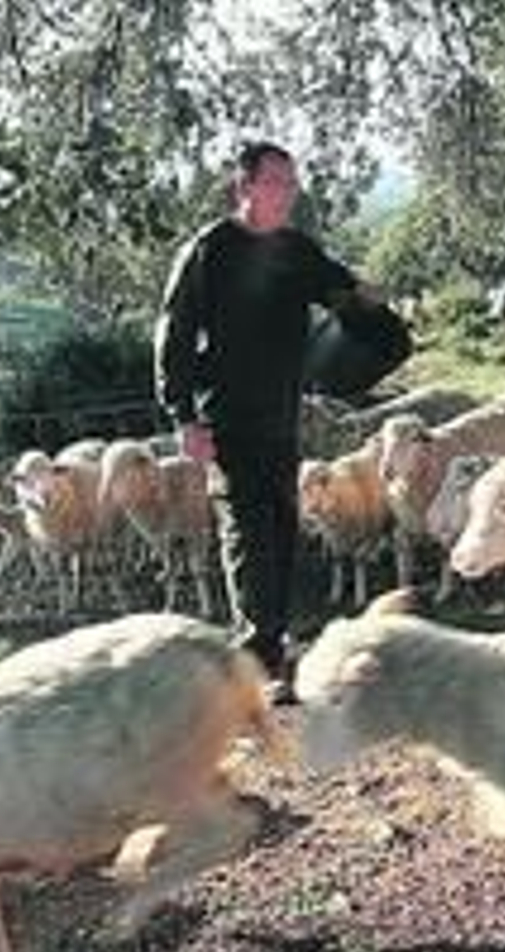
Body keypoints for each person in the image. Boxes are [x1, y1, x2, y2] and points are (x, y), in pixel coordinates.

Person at [153, 140, 373, 704]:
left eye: (292, 183)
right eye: (277, 182)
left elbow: (339, 290)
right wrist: (183, 416)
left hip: (281, 416)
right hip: (227, 419)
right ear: (245, 187)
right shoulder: (210, 250)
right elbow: (174, 333)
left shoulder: (296, 250)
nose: (288, 192)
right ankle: (257, 661)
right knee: (248, 536)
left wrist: (367, 307)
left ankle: (272, 648)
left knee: (280, 531)